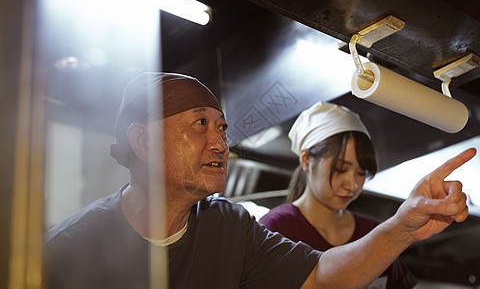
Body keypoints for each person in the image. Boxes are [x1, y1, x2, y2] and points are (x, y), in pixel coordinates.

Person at [43, 72, 476, 289]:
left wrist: (401, 227)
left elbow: (322, 277)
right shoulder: (68, 250)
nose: (220, 143)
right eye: (199, 125)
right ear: (142, 141)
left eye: (223, 128)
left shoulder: (227, 227)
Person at [259, 102, 417, 288]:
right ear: (306, 160)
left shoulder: (374, 232)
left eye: (361, 173)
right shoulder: (277, 229)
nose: (352, 185)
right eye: (341, 169)